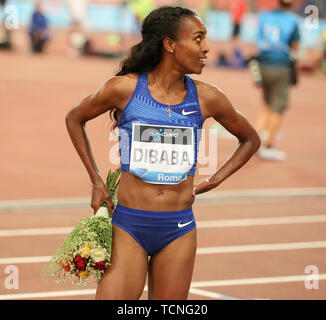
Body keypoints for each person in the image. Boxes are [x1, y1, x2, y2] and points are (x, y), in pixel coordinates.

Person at [65, 6, 260, 300]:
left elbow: (250, 139)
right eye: (197, 39)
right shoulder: (125, 89)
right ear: (170, 44)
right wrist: (96, 180)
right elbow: (74, 118)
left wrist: (216, 179)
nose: (206, 48)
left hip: (178, 228)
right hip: (128, 225)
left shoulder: (208, 96)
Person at [255, 0, 300, 161]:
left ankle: (255, 140)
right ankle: (268, 145)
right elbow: (295, 45)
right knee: (278, 106)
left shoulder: (264, 16)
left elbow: (258, 40)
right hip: (281, 65)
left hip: (263, 63)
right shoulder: (293, 20)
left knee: (267, 103)